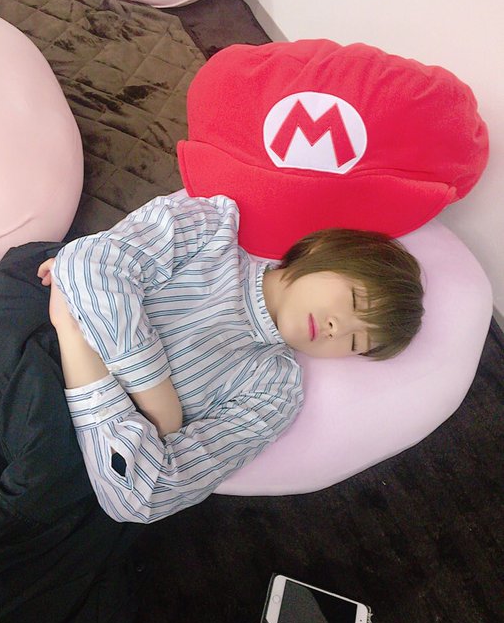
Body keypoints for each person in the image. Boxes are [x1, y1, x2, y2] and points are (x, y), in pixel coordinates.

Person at [37, 191, 424, 524]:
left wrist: (74, 336)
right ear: (323, 251)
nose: (337, 328)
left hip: (55, 451)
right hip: (29, 331)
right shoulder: (212, 227)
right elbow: (86, 263)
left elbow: (142, 496)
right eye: (354, 301)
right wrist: (157, 401)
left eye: (356, 341)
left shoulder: (275, 393)